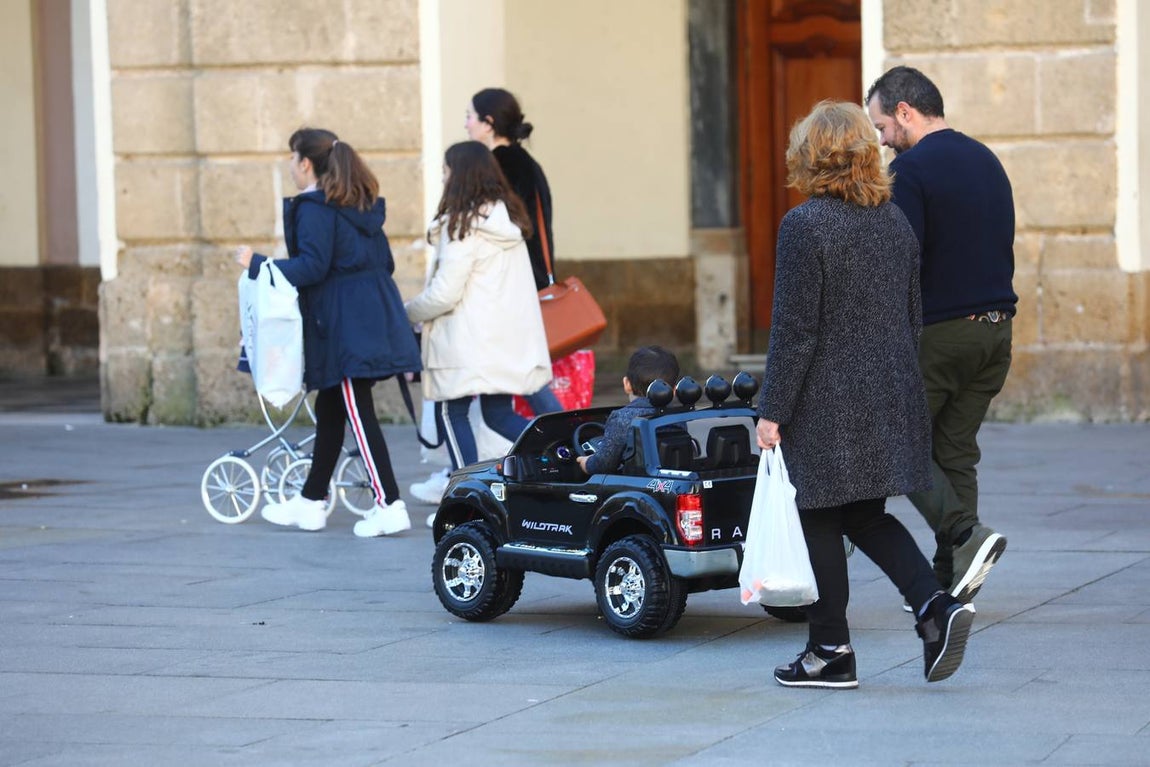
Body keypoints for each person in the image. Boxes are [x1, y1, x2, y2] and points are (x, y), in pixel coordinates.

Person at [756, 101, 974, 689]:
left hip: (827, 400)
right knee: (865, 514)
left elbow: (796, 329)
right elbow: (912, 315)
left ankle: (829, 650)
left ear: (813, 154)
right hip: (888, 390)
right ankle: (934, 608)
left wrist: (772, 411)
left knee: (818, 514)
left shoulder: (805, 225)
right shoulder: (893, 221)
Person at [866, 66, 1014, 605]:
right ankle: (954, 575)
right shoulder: (987, 159)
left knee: (895, 442)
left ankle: (962, 535)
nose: (882, 139)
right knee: (953, 452)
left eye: (883, 126)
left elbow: (901, 263)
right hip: (997, 334)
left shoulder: (911, 172)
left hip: (944, 333)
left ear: (905, 112)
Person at [236, 128, 420, 538]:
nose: (289, 167)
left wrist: (257, 264)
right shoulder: (361, 206)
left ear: (305, 163)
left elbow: (312, 268)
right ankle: (310, 501)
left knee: (357, 410)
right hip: (368, 314)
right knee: (333, 410)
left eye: (291, 158)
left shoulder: (317, 208)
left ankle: (389, 503)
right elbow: (384, 264)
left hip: (344, 324)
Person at [409, 87, 563, 508]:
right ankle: (563, 455)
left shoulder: (465, 224)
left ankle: (465, 495)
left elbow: (445, 291)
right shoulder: (505, 218)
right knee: (502, 408)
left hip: (469, 335)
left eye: (444, 171)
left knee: (452, 411)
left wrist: (407, 313)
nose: (441, 177)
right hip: (503, 327)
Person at [576, 346, 680, 476]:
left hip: (638, 485)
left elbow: (603, 465)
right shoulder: (679, 416)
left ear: (627, 384)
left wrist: (585, 462)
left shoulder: (621, 418)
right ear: (674, 390)